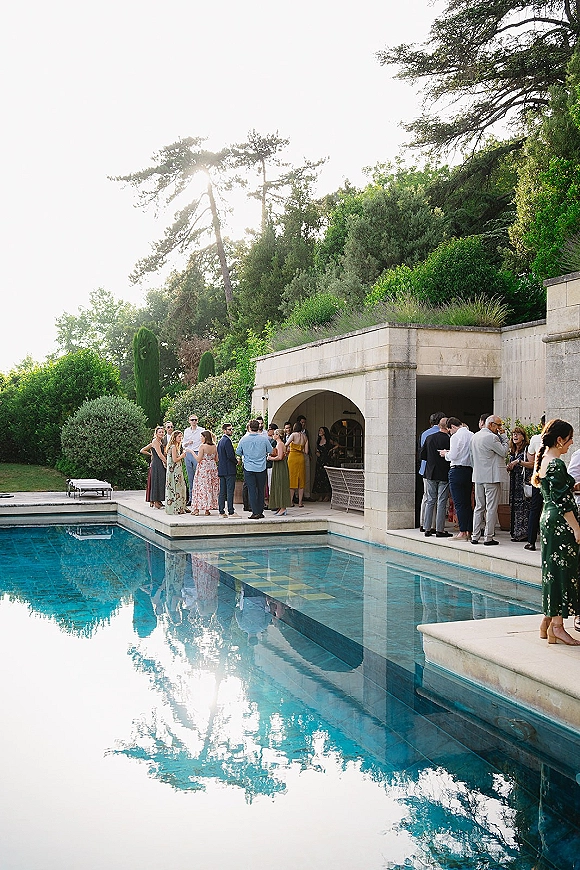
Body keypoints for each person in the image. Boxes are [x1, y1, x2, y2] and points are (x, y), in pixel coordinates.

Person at [533, 418, 580, 645]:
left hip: (548, 518)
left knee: (552, 571)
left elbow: (558, 490)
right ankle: (558, 627)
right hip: (560, 521)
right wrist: (577, 529)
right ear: (560, 439)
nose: (571, 443)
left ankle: (548, 622)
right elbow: (563, 502)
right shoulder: (556, 464)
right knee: (562, 573)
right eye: (569, 438)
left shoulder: (545, 460)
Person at [470, 414, 508, 545]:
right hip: (491, 477)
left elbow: (471, 457)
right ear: (491, 424)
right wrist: (504, 437)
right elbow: (504, 451)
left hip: (478, 476)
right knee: (491, 508)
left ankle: (475, 536)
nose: (499, 428)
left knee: (479, 507)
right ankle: (488, 537)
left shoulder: (475, 436)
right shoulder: (491, 437)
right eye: (498, 425)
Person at [440, 417, 473, 541]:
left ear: (452, 427)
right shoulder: (471, 435)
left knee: (459, 503)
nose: (450, 433)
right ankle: (469, 530)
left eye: (449, 430)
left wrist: (445, 454)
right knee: (467, 503)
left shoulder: (455, 437)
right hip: (468, 470)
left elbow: (453, 455)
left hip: (456, 470)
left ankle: (462, 531)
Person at [420, 417, 451, 537]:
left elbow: (423, 455)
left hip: (430, 472)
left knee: (430, 500)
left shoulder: (429, 438)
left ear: (439, 425)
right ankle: (440, 529)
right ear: (447, 427)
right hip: (443, 473)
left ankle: (427, 528)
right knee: (442, 501)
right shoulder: (449, 439)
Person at [236, 419, 271, 519]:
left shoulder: (243, 439)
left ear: (249, 427)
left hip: (249, 467)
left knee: (251, 490)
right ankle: (260, 511)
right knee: (261, 490)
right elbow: (270, 450)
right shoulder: (264, 439)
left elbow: (238, 452)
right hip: (261, 467)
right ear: (259, 427)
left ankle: (255, 512)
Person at [524, 415, 545, 551]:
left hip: (538, 476)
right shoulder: (558, 438)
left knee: (535, 508)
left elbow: (530, 459)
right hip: (551, 477)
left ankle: (531, 541)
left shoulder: (536, 438)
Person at [506, 426, 531, 542]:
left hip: (522, 482)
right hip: (514, 481)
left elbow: (531, 464)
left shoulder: (527, 450)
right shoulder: (512, 451)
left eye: (518, 434)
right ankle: (515, 532)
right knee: (515, 506)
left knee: (524, 507)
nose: (515, 436)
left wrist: (518, 462)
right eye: (513, 434)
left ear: (523, 437)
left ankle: (523, 533)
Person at [191, 430, 219, 516]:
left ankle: (197, 509)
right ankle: (207, 509)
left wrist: (192, 452)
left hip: (203, 468)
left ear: (205, 437)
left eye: (202, 437)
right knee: (210, 487)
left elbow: (198, 459)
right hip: (212, 467)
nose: (201, 438)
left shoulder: (202, 446)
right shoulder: (214, 446)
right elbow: (216, 459)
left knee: (200, 487)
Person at [140, 426, 166, 509]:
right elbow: (160, 454)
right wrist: (167, 462)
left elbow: (143, 450)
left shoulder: (160, 441)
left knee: (160, 481)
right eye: (160, 432)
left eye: (162, 432)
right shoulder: (155, 441)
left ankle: (158, 500)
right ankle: (155, 502)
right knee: (156, 482)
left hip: (158, 463)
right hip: (157, 464)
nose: (161, 433)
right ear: (156, 433)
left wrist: (151, 454)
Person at [217, 423, 240, 518]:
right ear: (224, 430)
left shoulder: (220, 441)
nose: (231, 431)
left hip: (222, 469)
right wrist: (236, 461)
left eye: (232, 429)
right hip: (229, 470)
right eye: (229, 429)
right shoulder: (226, 441)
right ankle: (231, 511)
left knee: (222, 492)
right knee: (230, 491)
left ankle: (221, 511)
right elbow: (230, 455)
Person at [165, 430, 189, 515]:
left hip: (175, 470)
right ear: (174, 437)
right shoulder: (173, 447)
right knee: (177, 488)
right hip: (175, 471)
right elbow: (175, 459)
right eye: (179, 437)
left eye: (181, 437)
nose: (180, 438)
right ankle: (177, 507)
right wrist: (182, 456)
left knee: (179, 487)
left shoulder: (174, 446)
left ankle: (180, 506)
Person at [268, 429, 292, 515]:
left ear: (278, 435)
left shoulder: (280, 444)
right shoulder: (279, 444)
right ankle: (279, 506)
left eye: (274, 434)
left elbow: (280, 457)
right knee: (277, 484)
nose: (273, 435)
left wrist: (271, 458)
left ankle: (283, 507)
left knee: (281, 485)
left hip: (280, 466)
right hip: (278, 466)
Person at [286, 421, 308, 508]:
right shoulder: (305, 437)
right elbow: (306, 451)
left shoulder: (293, 435)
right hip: (301, 459)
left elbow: (286, 444)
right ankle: (300, 502)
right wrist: (300, 449)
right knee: (301, 480)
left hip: (292, 458)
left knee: (292, 479)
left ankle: (291, 501)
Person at [312, 426, 337, 501]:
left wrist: (331, 450)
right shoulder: (318, 441)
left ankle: (327, 495)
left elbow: (337, 445)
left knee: (326, 477)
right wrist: (316, 453)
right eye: (319, 430)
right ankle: (320, 495)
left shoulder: (329, 440)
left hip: (326, 460)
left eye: (321, 430)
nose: (320, 431)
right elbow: (316, 449)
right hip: (320, 460)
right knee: (319, 477)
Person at [183, 414, 203, 505]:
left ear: (197, 421)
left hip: (197, 452)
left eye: (195, 420)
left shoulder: (201, 430)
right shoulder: (186, 431)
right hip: (188, 453)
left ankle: (198, 498)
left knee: (198, 476)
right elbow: (183, 444)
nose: (194, 421)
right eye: (192, 420)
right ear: (189, 421)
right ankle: (191, 498)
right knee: (190, 476)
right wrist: (188, 443)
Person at [296, 415, 312, 500]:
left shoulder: (306, 432)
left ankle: (307, 494)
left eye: (304, 423)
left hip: (305, 454)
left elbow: (308, 445)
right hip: (296, 455)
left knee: (307, 474)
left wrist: (310, 454)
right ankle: (296, 495)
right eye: (302, 422)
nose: (303, 424)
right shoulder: (294, 434)